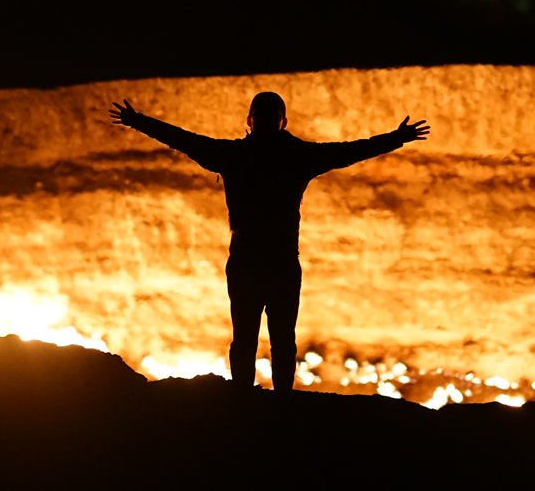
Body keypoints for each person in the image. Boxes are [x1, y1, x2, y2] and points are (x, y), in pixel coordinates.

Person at [109, 92, 429, 398]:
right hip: (280, 262)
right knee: (280, 339)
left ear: (249, 121)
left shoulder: (234, 156)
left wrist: (138, 121)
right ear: (282, 122)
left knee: (246, 338)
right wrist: (396, 138)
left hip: (248, 260)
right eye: (269, 117)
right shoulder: (298, 157)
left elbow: (184, 139)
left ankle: (244, 399)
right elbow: (349, 151)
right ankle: (281, 402)